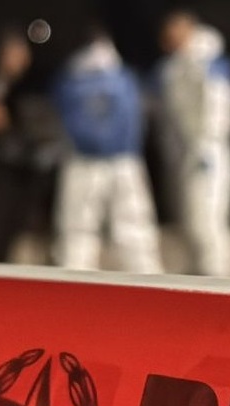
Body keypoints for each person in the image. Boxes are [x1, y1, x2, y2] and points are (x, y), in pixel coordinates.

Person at [52, 30, 163, 273]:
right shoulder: (126, 78)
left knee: (78, 233)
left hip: (87, 164)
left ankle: (76, 288)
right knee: (135, 232)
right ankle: (149, 286)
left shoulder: (69, 79)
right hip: (122, 163)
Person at [156, 11, 230, 277]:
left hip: (206, 151)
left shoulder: (209, 62)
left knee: (207, 218)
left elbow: (218, 108)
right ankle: (199, 275)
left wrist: (205, 145)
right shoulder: (175, 66)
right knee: (189, 218)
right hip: (183, 154)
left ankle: (218, 277)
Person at [0, 32, 57, 264]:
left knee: (41, 238)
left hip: (29, 172)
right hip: (2, 173)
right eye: (14, 53)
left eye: (23, 52)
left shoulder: (32, 86)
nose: (21, 58)